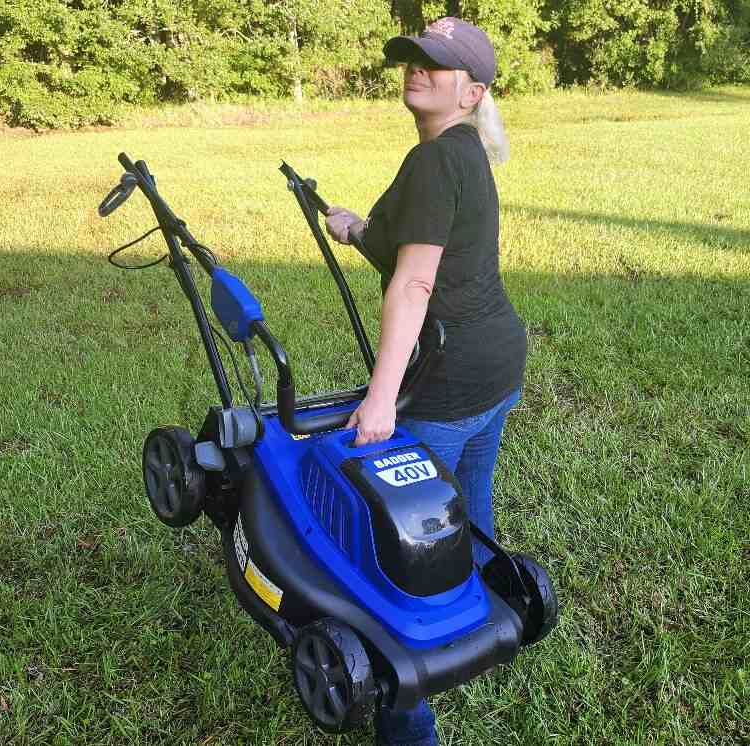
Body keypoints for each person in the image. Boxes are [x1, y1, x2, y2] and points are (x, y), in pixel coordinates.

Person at [324, 17, 526, 746]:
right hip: (498, 366)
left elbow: (412, 284)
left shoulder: (435, 161)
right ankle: (486, 625)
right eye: (412, 60)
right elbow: (405, 241)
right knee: (468, 505)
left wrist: (380, 400)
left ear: (471, 91)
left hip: (446, 379)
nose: (417, 71)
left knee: (401, 547)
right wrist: (352, 226)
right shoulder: (457, 152)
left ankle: (409, 717)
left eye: (436, 67)